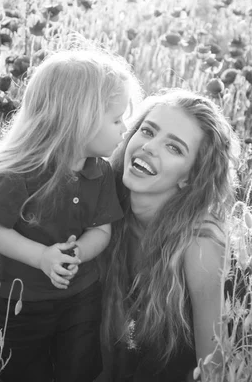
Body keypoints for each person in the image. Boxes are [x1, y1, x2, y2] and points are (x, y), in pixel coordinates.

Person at [0, 49, 142, 382]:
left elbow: (101, 231)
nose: (124, 129)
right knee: (21, 371)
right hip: (21, 301)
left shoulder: (100, 173)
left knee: (78, 369)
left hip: (80, 295)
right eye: (116, 119)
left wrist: (76, 253)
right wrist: (41, 257)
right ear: (79, 119)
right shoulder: (21, 171)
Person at [100, 89, 240, 382]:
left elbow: (214, 368)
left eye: (174, 148)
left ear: (191, 176)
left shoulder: (199, 244)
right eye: (148, 130)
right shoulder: (102, 205)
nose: (150, 147)